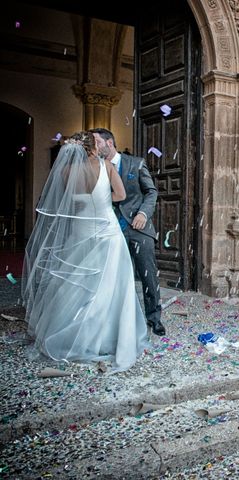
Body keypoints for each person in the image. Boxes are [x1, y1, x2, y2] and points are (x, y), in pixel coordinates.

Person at [22, 132, 148, 373]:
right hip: (107, 230)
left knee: (76, 282)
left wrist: (85, 201)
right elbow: (120, 196)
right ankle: (107, 336)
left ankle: (74, 335)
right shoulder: (107, 167)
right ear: (93, 148)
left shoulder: (66, 172)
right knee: (111, 285)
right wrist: (102, 199)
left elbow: (66, 200)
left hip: (80, 230)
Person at [90, 128, 165, 336]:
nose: (94, 146)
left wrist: (143, 213)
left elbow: (151, 192)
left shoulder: (136, 163)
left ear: (109, 142)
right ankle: (119, 319)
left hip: (138, 228)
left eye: (97, 141)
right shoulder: (95, 167)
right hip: (111, 229)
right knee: (115, 276)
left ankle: (154, 318)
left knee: (147, 274)